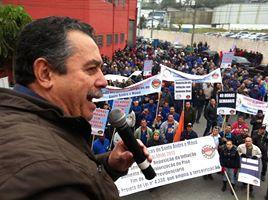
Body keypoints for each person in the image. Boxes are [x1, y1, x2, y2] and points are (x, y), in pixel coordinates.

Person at [0, 17, 152, 199]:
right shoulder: (49, 176)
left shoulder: (17, 121)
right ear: (45, 73)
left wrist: (109, 166)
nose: (103, 81)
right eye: (91, 69)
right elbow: (62, 173)